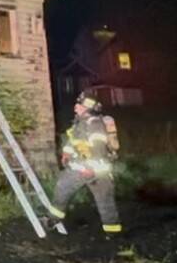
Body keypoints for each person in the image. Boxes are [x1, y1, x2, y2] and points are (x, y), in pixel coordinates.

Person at [47, 91, 122, 235]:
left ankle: (52, 219)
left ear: (87, 108)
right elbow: (74, 141)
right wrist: (67, 152)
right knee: (104, 203)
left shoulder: (94, 124)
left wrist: (91, 169)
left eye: (79, 105)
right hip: (90, 170)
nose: (75, 107)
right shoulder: (80, 122)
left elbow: (99, 150)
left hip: (92, 170)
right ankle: (113, 234)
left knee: (64, 188)